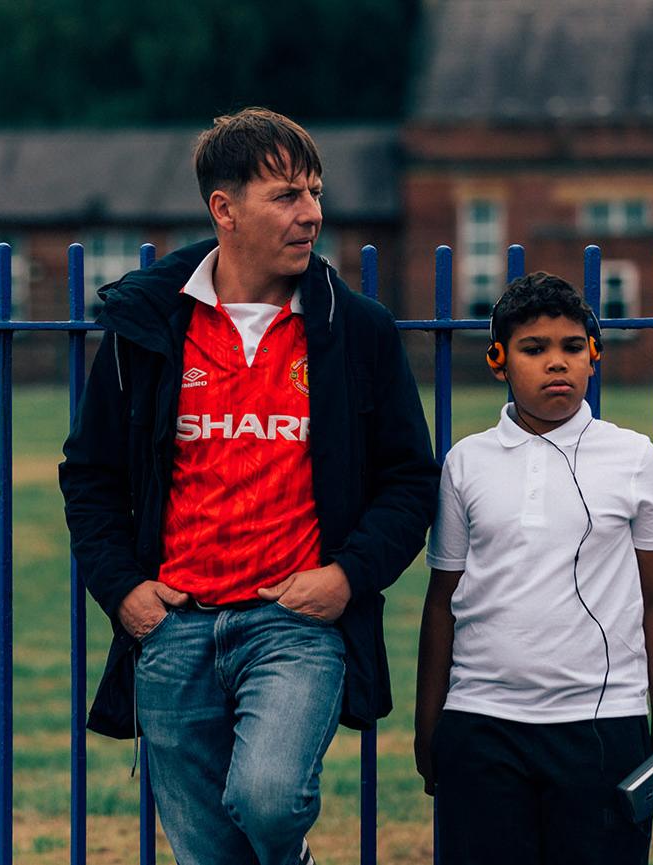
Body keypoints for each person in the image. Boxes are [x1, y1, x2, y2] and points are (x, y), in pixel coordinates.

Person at [59, 107, 439, 865]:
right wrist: (125, 592)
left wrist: (348, 576)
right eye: (288, 195)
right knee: (210, 856)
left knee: (267, 798)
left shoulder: (354, 330)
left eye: (315, 193)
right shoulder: (147, 326)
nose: (313, 215)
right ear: (223, 209)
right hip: (174, 624)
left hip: (294, 623)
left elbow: (409, 478)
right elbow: (91, 476)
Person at [414, 272, 653, 865]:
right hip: (482, 719)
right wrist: (428, 723)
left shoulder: (636, 459)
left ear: (594, 356)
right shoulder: (467, 462)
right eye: (534, 350)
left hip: (601, 723)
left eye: (570, 347)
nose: (555, 363)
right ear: (499, 361)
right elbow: (443, 600)